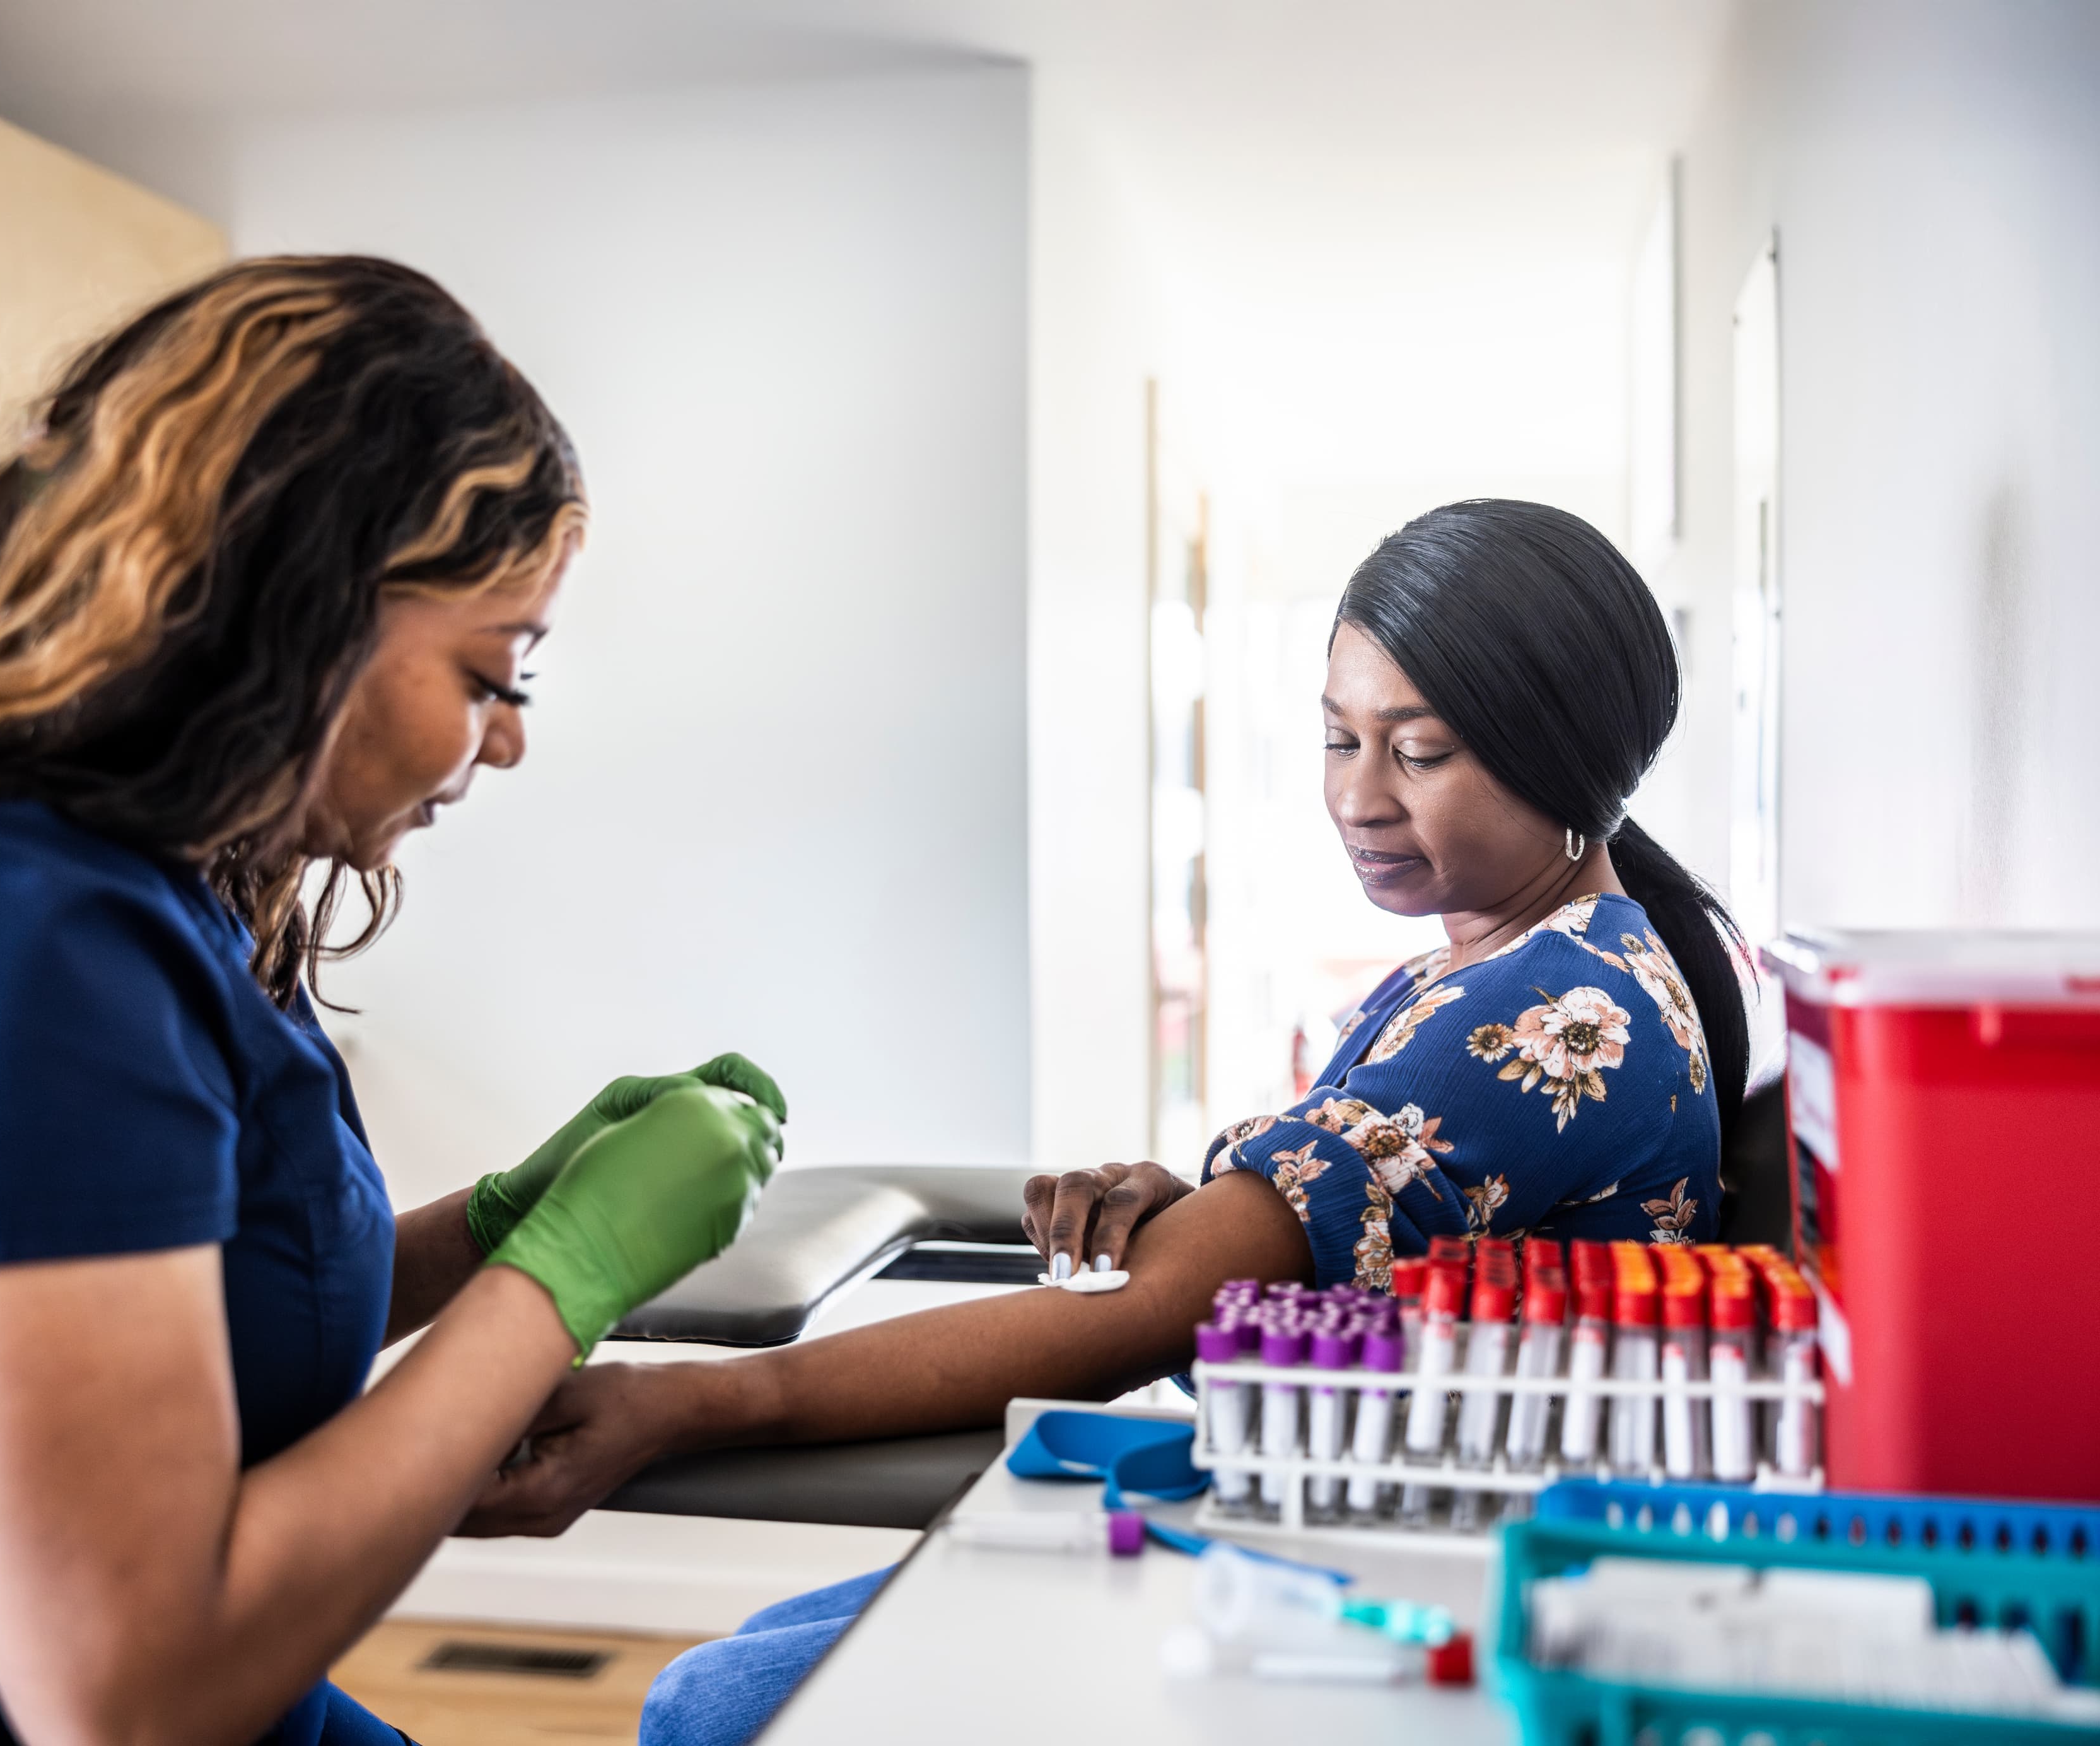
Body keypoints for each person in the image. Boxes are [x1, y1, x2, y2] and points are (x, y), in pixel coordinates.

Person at [0, 256, 786, 1745]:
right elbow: (130, 1696)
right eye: (493, 671)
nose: (506, 741)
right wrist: (570, 1274)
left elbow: (159, 1319)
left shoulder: (127, 883)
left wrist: (498, 1229)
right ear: (304, 609)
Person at [464, 498, 1753, 1746]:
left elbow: (1155, 1315)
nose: (1359, 796)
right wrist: (1206, 1217)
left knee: (711, 1710)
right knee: (729, 1675)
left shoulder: (1549, 1012)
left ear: (1566, 755)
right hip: (1345, 1519)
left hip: (1396, 1590)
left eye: (1417, 751)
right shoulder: (1521, 960)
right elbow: (1327, 1257)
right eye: (1335, 737)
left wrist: (692, 1405)